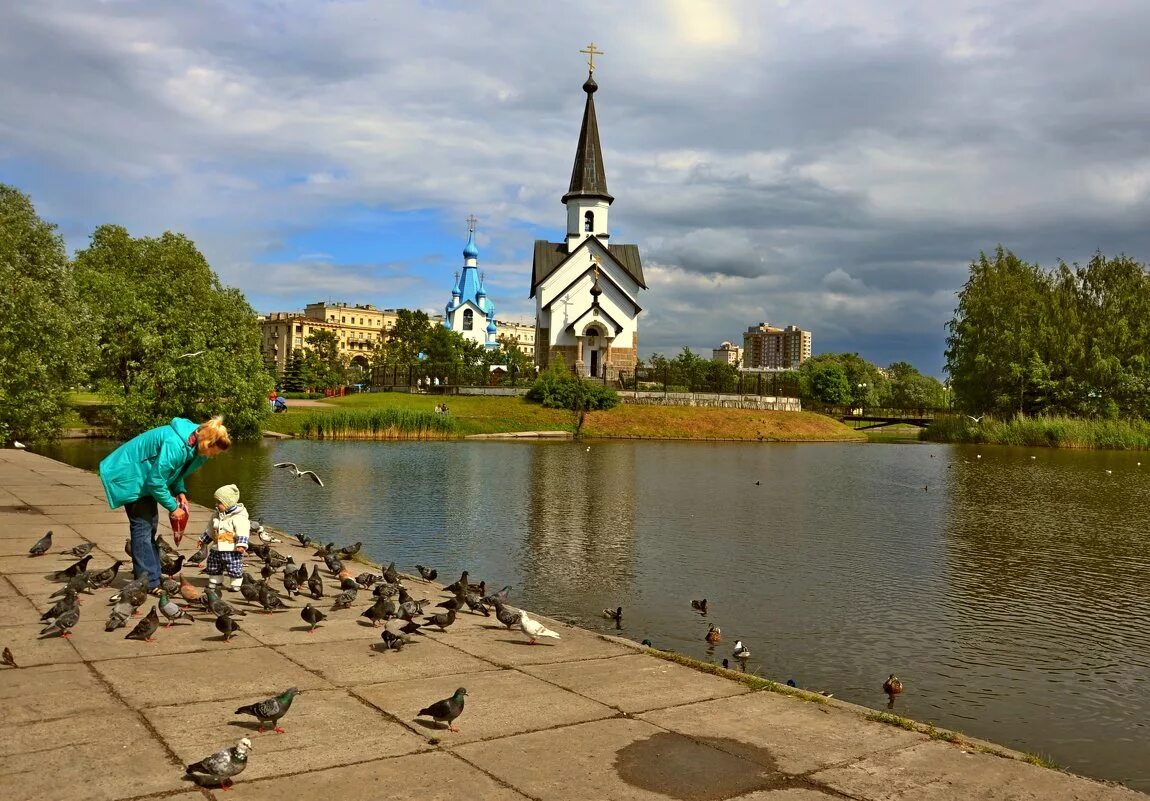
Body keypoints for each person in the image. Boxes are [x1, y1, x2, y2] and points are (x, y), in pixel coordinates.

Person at [99, 416, 231, 591]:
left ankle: (151, 575)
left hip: (144, 478)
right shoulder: (175, 444)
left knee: (149, 527)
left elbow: (176, 471)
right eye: (214, 452)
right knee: (142, 528)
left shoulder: (193, 442)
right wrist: (173, 507)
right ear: (207, 443)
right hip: (131, 475)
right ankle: (148, 582)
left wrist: (180, 491)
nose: (213, 456)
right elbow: (155, 481)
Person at [198, 483, 250, 592]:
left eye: (219, 502)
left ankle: (235, 583)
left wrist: (241, 545)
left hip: (231, 549)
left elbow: (243, 531)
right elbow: (211, 529)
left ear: (228, 503)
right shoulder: (216, 515)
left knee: (234, 566)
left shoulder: (239, 517)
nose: (216, 505)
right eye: (216, 502)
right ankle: (215, 581)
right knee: (213, 564)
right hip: (216, 548)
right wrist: (204, 540)